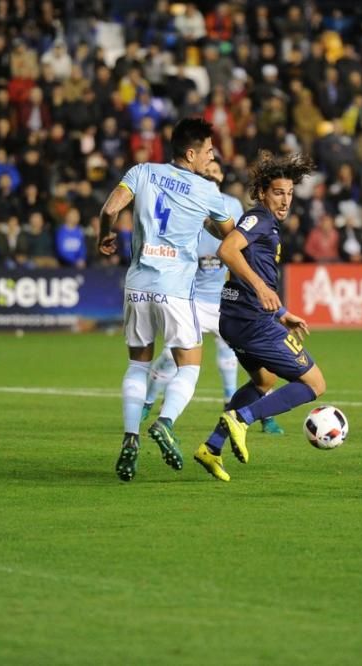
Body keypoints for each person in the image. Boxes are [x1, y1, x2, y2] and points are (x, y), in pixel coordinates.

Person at [97, 117, 234, 482]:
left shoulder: (142, 171)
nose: (211, 156)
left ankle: (130, 439)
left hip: (137, 285)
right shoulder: (207, 191)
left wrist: (104, 237)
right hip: (175, 290)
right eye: (207, 150)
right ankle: (165, 421)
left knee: (137, 366)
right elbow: (230, 235)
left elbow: (110, 209)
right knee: (189, 365)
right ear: (191, 153)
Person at [195, 152, 326, 482]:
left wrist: (281, 312)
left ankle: (211, 447)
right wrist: (264, 292)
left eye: (290, 193)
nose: (285, 201)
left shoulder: (264, 224)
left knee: (264, 381)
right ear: (263, 192)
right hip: (251, 320)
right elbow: (228, 251)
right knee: (314, 384)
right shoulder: (260, 219)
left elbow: (239, 250)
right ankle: (243, 419)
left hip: (237, 318)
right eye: (278, 193)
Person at [141, 159, 285, 435]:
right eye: (208, 170)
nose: (213, 173)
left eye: (217, 171)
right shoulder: (185, 202)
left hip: (224, 296)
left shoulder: (232, 206)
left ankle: (254, 411)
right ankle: (147, 401)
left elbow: (242, 244)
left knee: (243, 354)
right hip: (191, 294)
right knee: (173, 357)